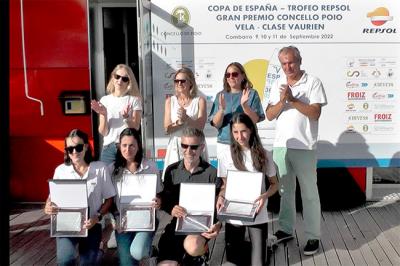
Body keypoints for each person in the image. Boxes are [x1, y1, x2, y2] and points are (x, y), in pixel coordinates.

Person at [265, 46, 327, 255]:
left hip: (304, 146)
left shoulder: (313, 82)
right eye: (283, 63)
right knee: (284, 192)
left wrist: (293, 100)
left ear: (299, 61)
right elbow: (270, 115)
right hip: (281, 146)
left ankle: (313, 237)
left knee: (309, 194)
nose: (287, 67)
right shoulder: (277, 84)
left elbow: (315, 113)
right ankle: (285, 229)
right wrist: (283, 100)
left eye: (291, 62)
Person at [44, 129, 116, 265]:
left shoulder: (100, 168)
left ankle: (99, 253)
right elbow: (51, 198)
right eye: (70, 149)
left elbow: (109, 199)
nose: (74, 152)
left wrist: (98, 217)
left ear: (86, 146)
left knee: (88, 264)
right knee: (65, 260)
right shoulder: (60, 170)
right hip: (66, 224)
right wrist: (48, 206)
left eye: (78, 147)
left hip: (92, 224)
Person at [216, 113, 278, 266]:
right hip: (234, 213)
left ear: (251, 130)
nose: (240, 136)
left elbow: (275, 184)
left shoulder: (265, 155)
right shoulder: (225, 155)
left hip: (257, 213)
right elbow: (225, 186)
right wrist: (221, 196)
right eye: (235, 132)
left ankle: (266, 248)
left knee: (258, 263)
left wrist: (265, 196)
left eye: (243, 131)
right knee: (233, 262)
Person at [157, 127, 222, 266]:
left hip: (200, 227)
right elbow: (166, 199)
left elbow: (218, 206)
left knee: (192, 246)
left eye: (193, 147)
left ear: (202, 147)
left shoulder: (211, 172)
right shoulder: (171, 171)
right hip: (177, 224)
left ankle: (200, 255)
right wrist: (171, 209)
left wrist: (218, 225)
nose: (188, 151)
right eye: (184, 146)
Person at [110, 128, 163, 266]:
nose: (128, 149)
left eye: (132, 145)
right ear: (119, 146)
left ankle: (148, 251)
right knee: (127, 263)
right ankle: (147, 251)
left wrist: (158, 201)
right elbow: (109, 201)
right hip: (123, 223)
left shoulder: (151, 166)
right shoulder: (111, 170)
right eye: (124, 145)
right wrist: (114, 222)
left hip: (146, 219)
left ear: (138, 146)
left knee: (138, 252)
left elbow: (159, 194)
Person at [208, 62, 265, 157]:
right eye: (228, 75)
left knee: (248, 171)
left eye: (234, 74)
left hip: (247, 143)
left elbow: (255, 120)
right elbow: (216, 124)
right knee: (225, 172)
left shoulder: (251, 94)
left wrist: (245, 106)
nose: (231, 77)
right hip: (225, 143)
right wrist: (221, 110)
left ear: (243, 76)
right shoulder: (220, 95)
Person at [162, 67, 208, 181]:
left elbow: (200, 126)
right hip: (176, 145)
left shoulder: (200, 101)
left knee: (198, 178)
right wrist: (180, 122)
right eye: (176, 81)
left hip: (194, 146)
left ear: (191, 82)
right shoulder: (170, 101)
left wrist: (186, 118)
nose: (179, 83)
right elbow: (167, 129)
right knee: (174, 181)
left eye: (183, 81)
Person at [91, 64, 142, 164]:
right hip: (109, 148)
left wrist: (126, 118)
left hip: (128, 148)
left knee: (129, 178)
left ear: (129, 82)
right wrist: (104, 114)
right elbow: (103, 132)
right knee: (107, 179)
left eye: (124, 79)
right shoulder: (105, 100)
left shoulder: (134, 100)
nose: (119, 81)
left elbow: (136, 127)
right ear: (112, 77)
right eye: (117, 77)